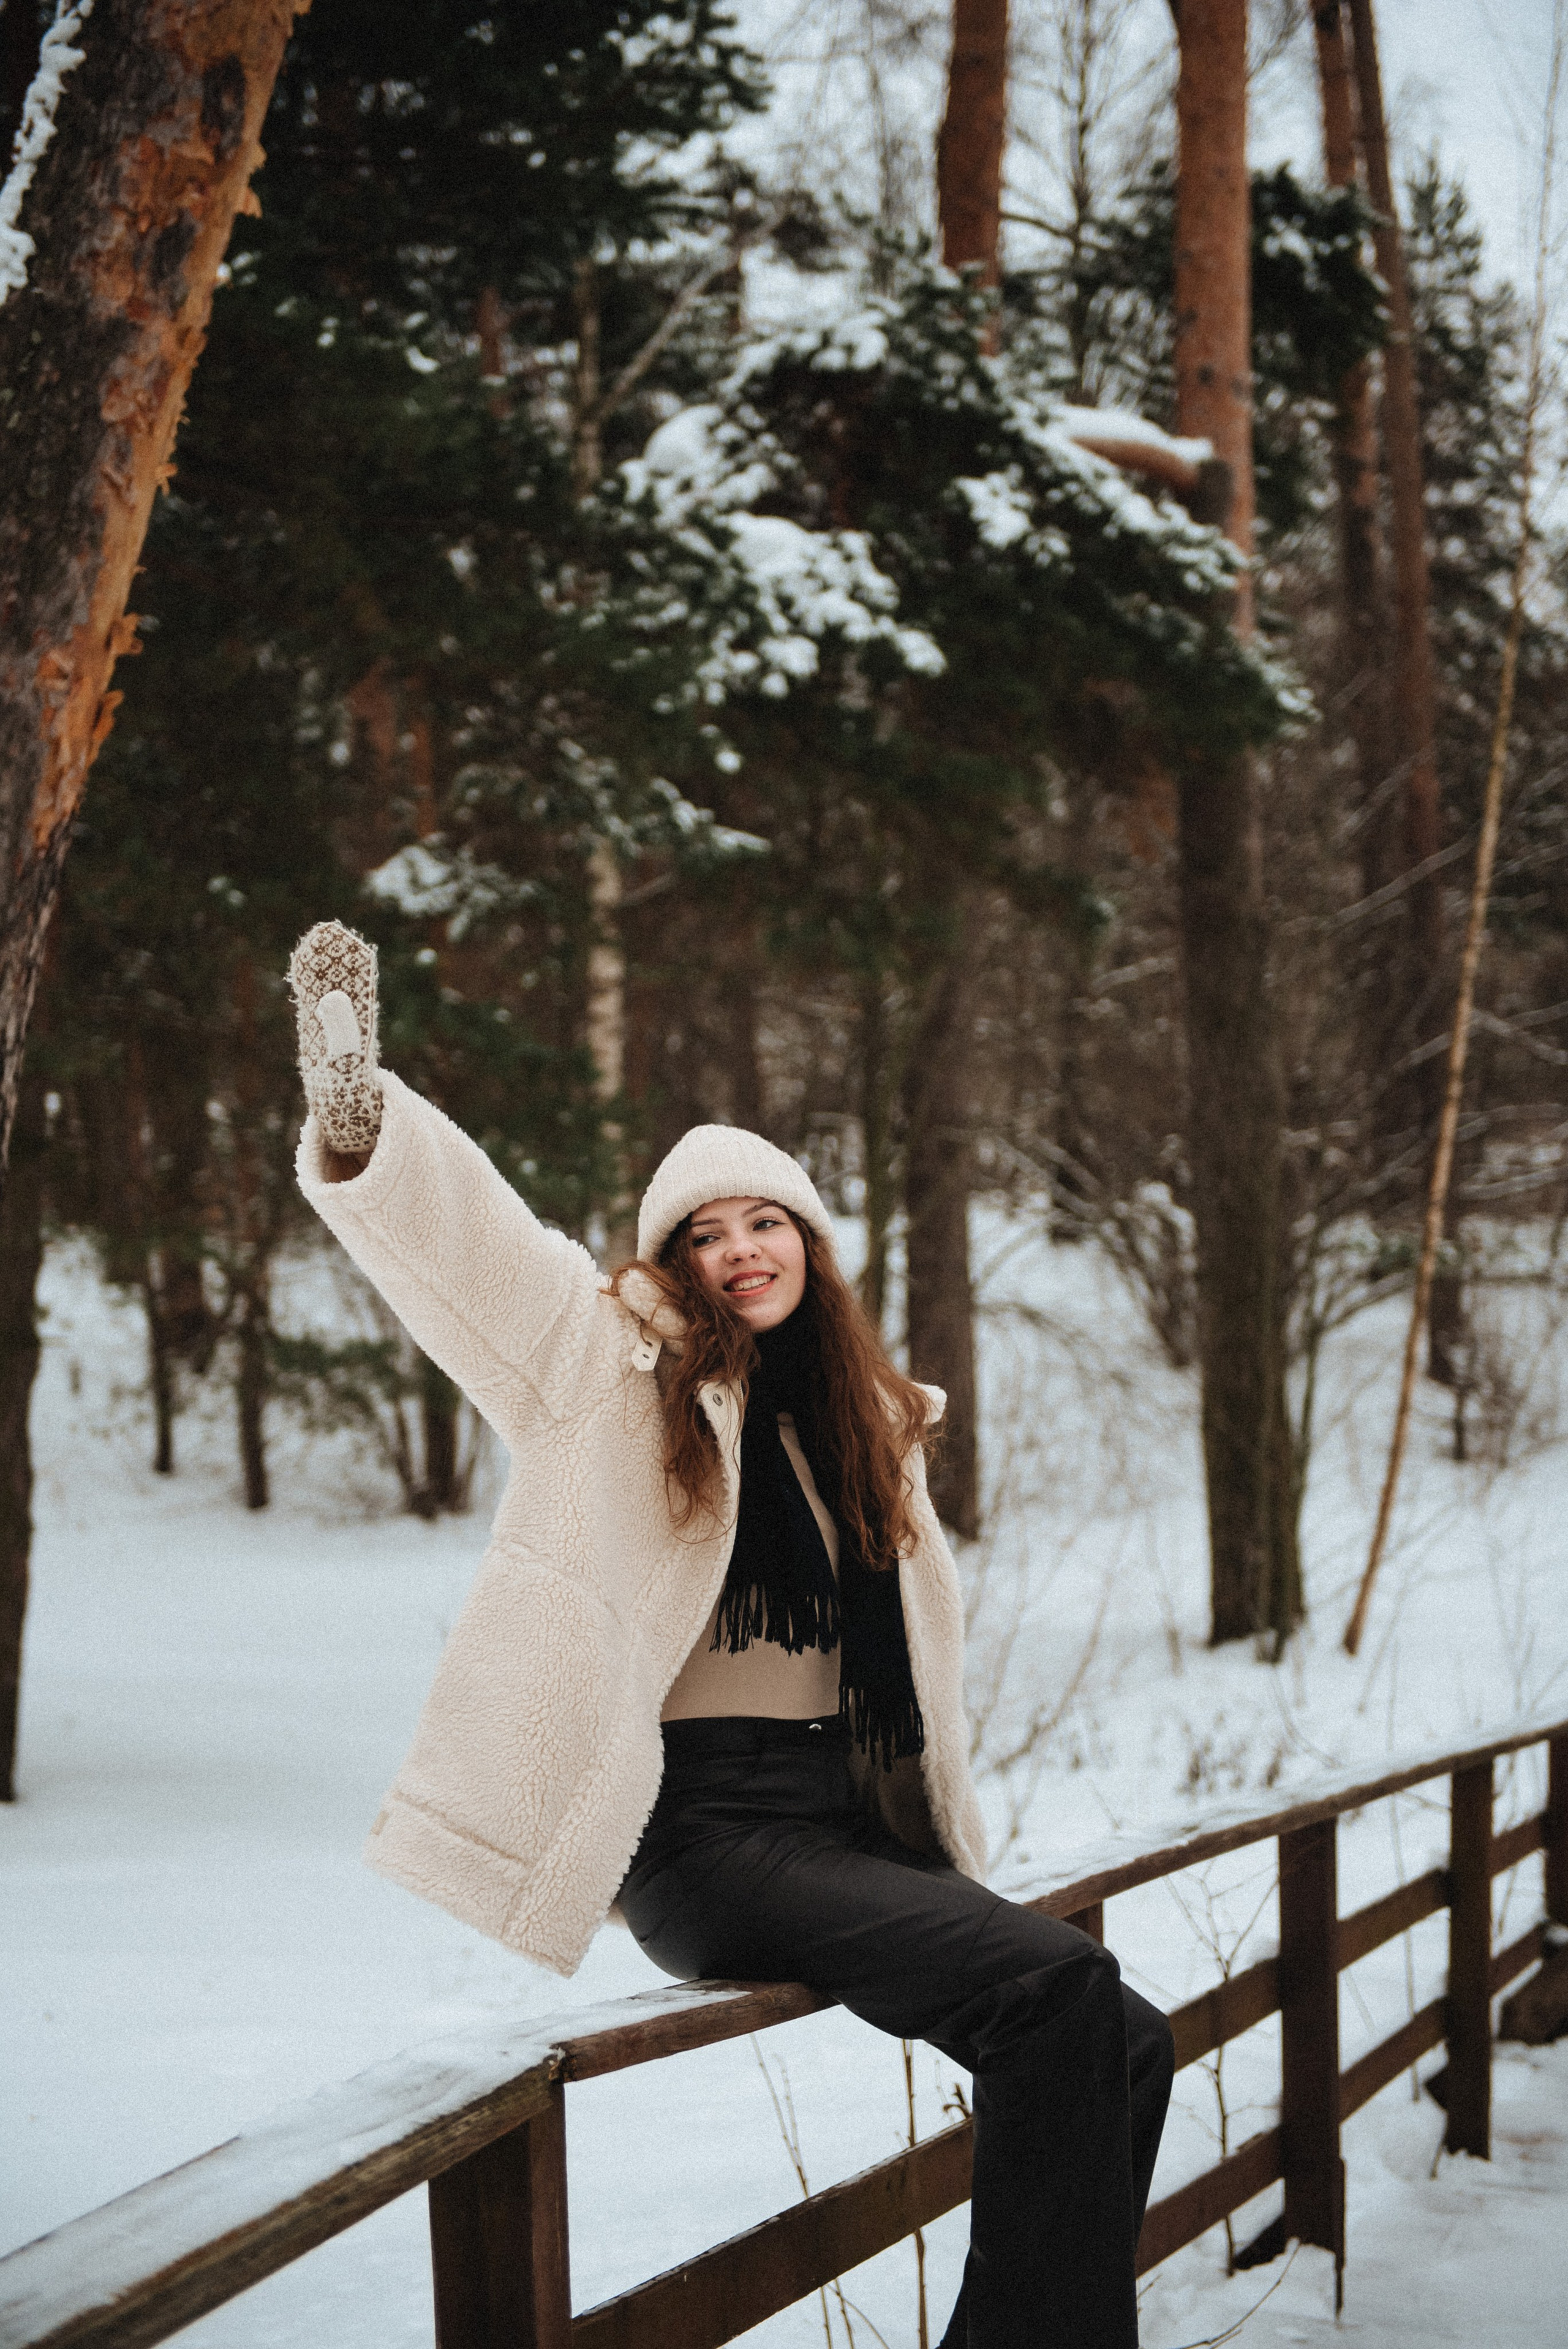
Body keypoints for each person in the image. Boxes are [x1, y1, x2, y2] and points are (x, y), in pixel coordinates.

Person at [288, 919, 1174, 2349]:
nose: (735, 1249)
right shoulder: (611, 1373)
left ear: (808, 1242)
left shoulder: (860, 1422)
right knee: (1058, 1985)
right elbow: (484, 1261)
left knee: (1125, 2038)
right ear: (674, 1266)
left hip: (837, 1820)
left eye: (760, 1220)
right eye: (701, 1234)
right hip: (706, 1835)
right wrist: (363, 1122)